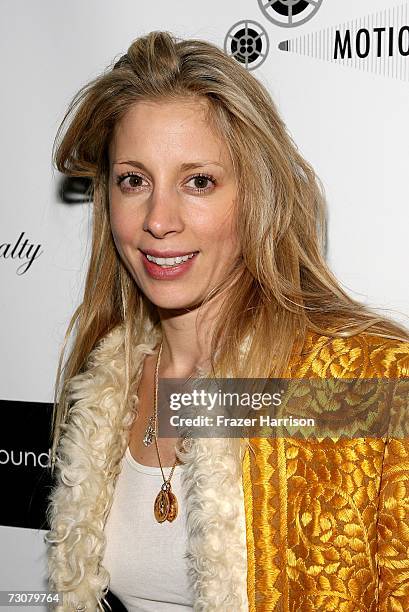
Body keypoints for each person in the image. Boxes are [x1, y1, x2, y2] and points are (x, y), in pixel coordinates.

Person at [44, 30, 409, 612]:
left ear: (256, 194)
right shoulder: (103, 383)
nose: (159, 220)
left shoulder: (368, 384)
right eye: (134, 181)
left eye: (199, 181)